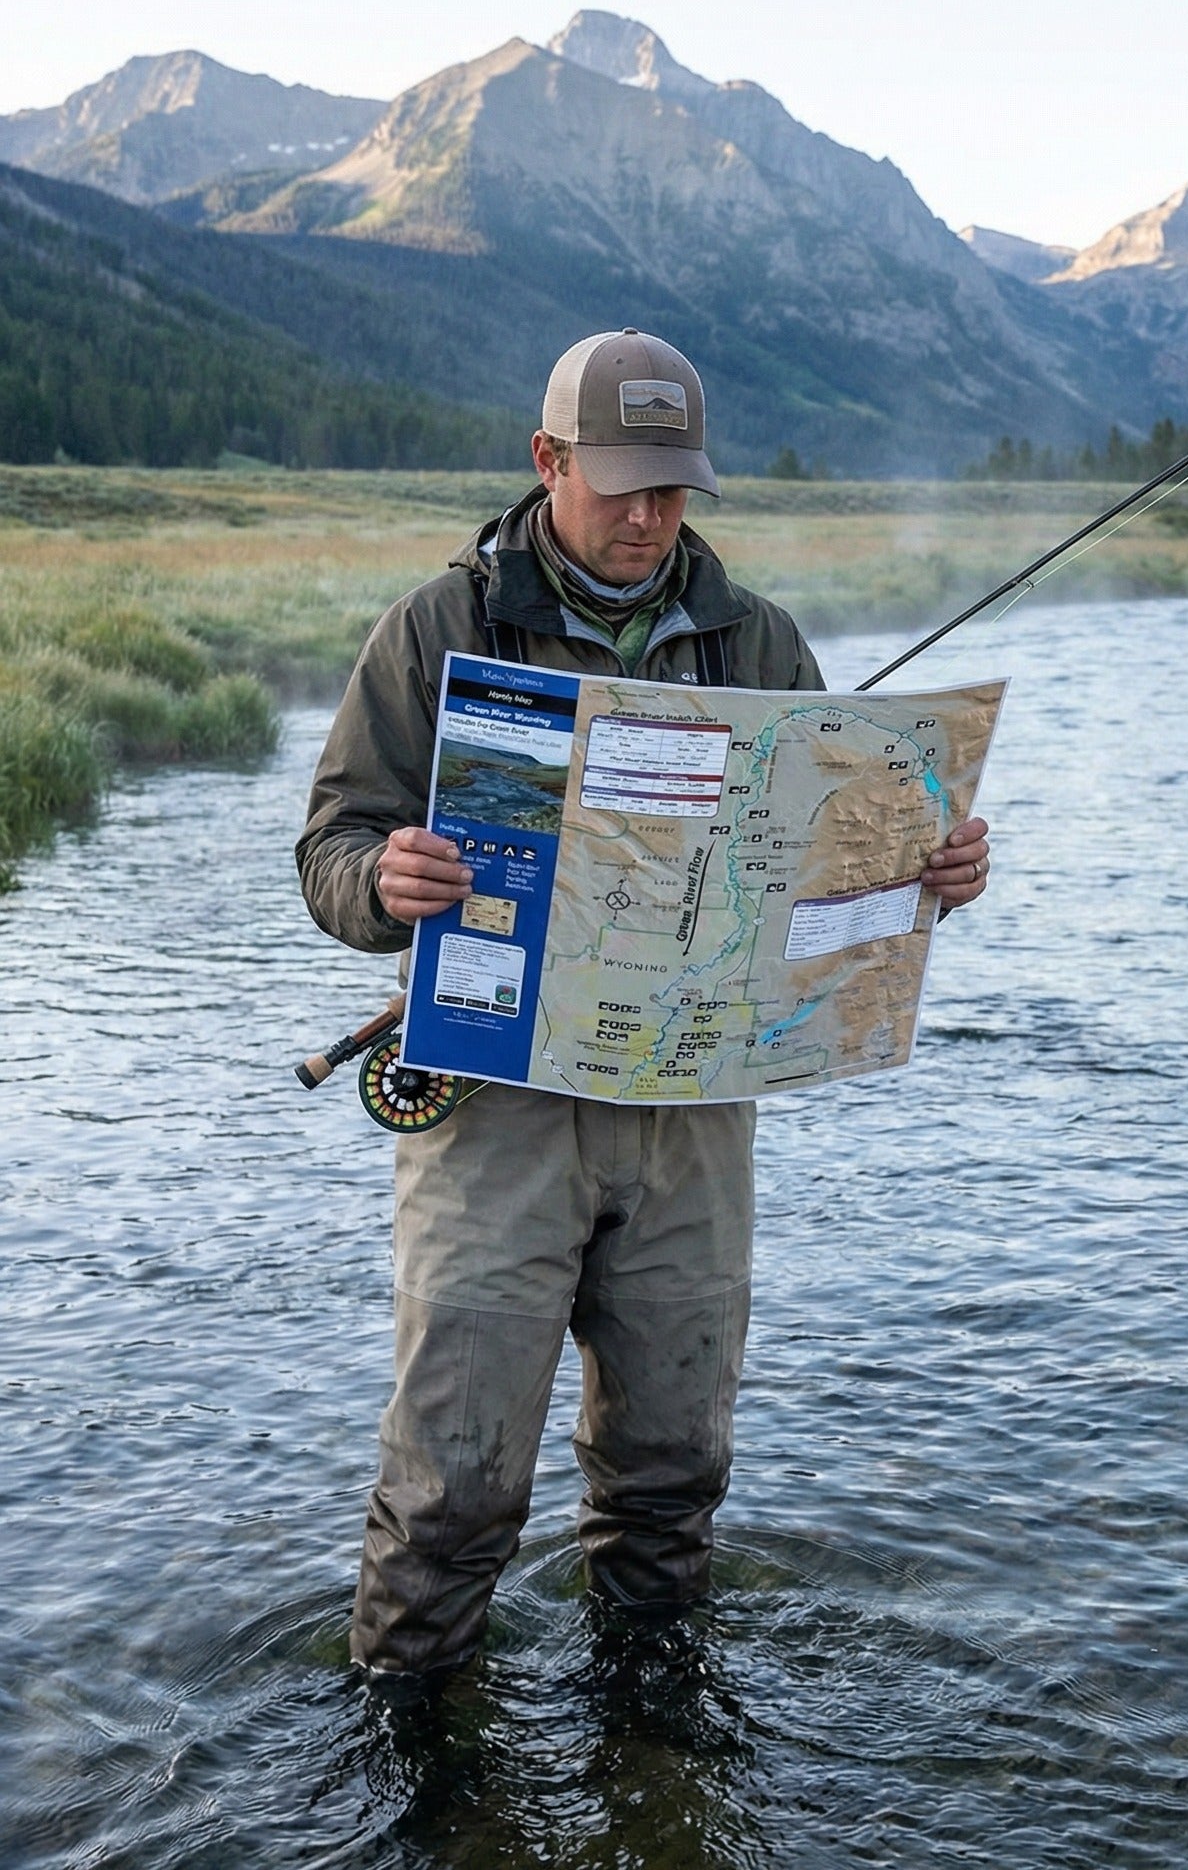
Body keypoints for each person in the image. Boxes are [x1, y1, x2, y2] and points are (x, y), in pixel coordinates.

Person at [297, 329, 992, 1676]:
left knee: (675, 1475)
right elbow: (328, 851)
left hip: (693, 1114)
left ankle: (657, 1734)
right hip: (495, 1107)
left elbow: (831, 870)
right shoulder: (437, 631)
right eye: (619, 483)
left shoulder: (757, 639)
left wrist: (934, 877)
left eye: (672, 486)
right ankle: (417, 1761)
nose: (648, 514)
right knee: (454, 1488)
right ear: (547, 461)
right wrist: (386, 879)